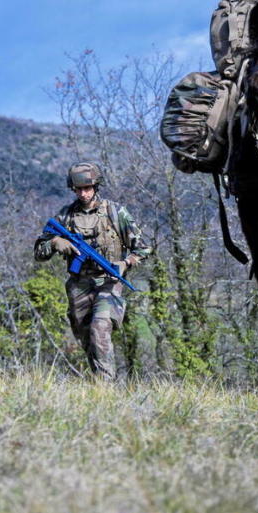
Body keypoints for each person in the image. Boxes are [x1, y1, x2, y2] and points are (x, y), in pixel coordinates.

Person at [34, 162, 149, 379]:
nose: (83, 193)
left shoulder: (115, 213)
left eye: (88, 188)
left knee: (100, 327)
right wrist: (56, 243)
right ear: (73, 189)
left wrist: (125, 264)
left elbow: (143, 248)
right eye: (78, 189)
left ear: (96, 186)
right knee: (86, 336)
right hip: (79, 284)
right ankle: (98, 379)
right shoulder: (65, 216)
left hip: (109, 281)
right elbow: (39, 251)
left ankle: (106, 386)